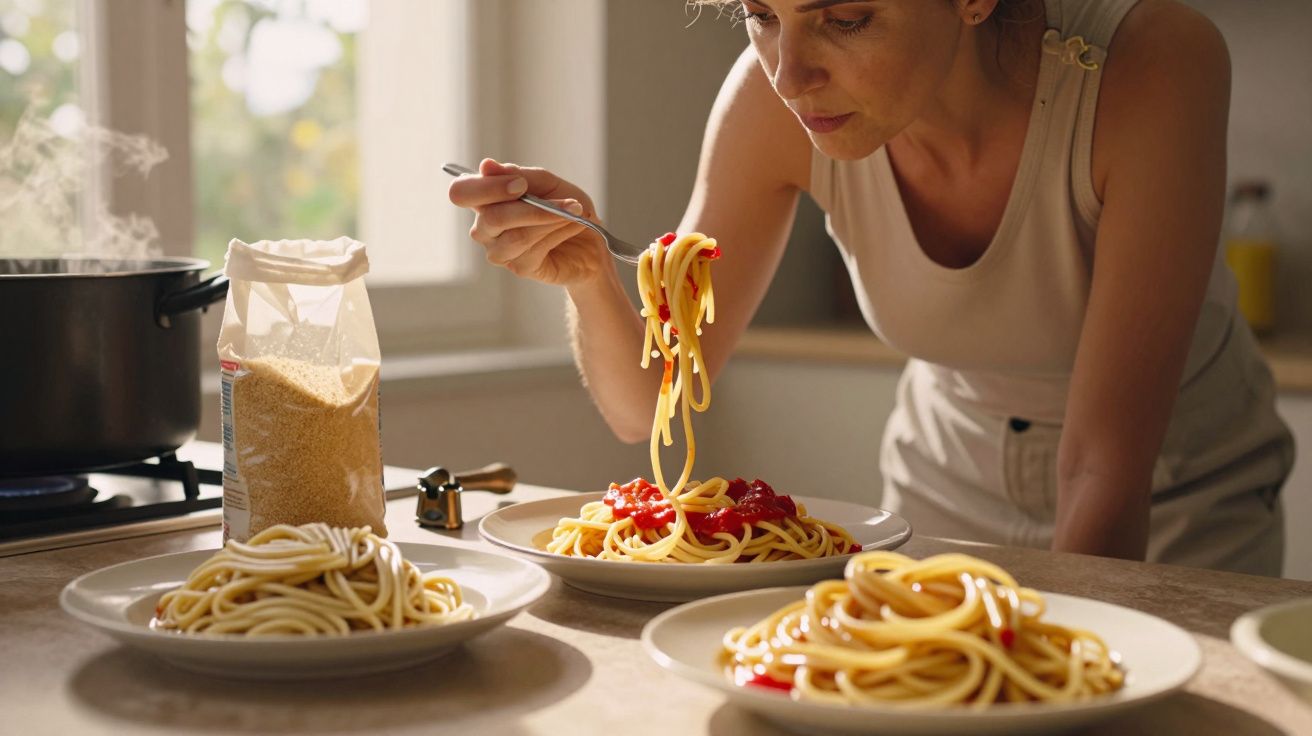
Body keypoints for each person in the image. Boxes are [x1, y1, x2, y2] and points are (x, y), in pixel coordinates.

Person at [448, 0, 1293, 576]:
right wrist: (590, 277)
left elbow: (1106, 463)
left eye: (844, 18)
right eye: (760, 15)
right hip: (945, 487)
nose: (789, 73)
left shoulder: (1153, 63)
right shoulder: (767, 102)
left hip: (1174, 499)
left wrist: (1046, 667)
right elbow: (646, 405)